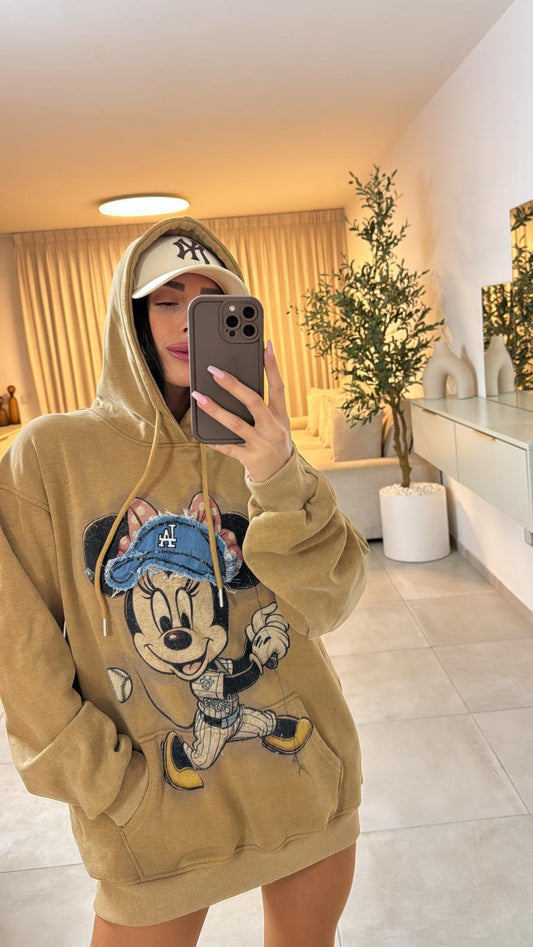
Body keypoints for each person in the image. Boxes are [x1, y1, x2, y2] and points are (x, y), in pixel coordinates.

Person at [0, 217, 368, 947]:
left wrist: (277, 472)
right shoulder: (51, 455)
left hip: (301, 784)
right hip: (153, 815)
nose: (186, 322)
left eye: (211, 303)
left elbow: (330, 600)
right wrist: (107, 785)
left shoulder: (260, 444)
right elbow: (19, 648)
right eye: (167, 300)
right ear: (130, 316)